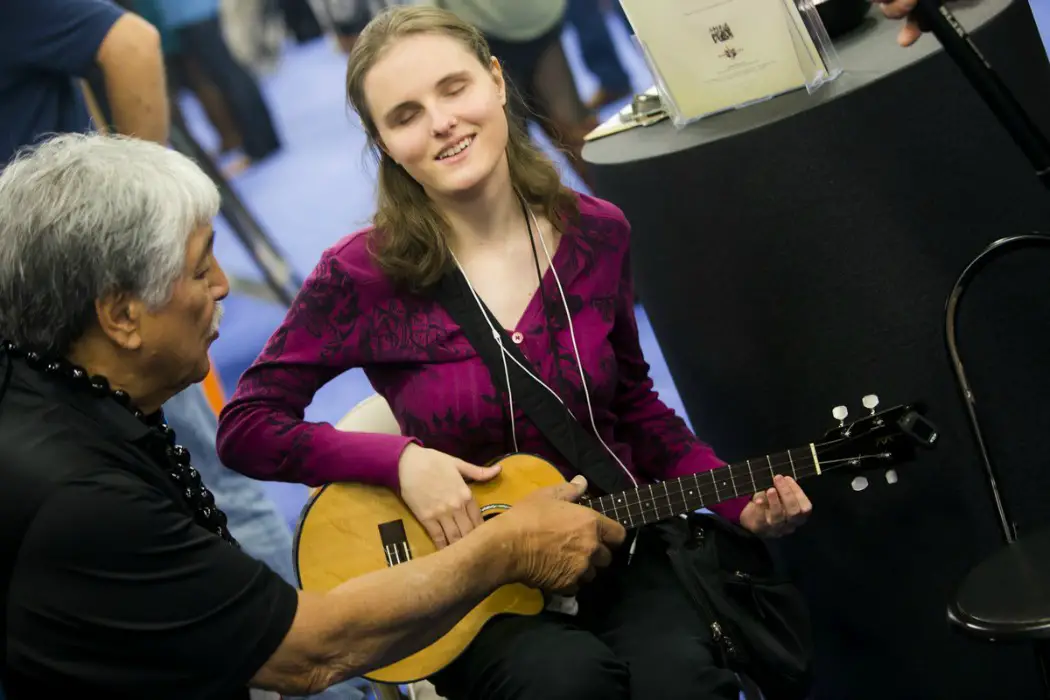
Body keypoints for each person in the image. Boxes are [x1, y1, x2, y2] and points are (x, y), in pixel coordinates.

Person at [215, 7, 813, 699]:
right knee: (567, 685)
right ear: (382, 141)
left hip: (619, 542)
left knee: (683, 682)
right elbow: (247, 426)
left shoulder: (596, 233)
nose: (442, 122)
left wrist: (738, 500)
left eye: (454, 88)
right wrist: (400, 461)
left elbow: (635, 409)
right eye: (406, 115)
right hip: (476, 589)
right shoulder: (361, 276)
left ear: (497, 81)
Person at [0, 132, 624, 699]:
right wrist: (505, 547)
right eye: (199, 267)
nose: (222, 284)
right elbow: (308, 654)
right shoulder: (84, 499)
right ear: (121, 318)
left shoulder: (51, 397)